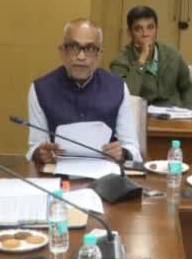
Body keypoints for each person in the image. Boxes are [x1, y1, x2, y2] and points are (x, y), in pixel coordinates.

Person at [26, 18, 143, 165]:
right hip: (58, 172)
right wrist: (40, 154)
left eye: (90, 49)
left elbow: (133, 148)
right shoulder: (41, 89)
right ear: (62, 51)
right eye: (74, 47)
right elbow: (34, 147)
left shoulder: (117, 87)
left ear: (99, 54)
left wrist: (123, 153)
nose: (81, 56)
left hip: (105, 173)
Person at [108, 5, 192, 108]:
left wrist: (189, 112)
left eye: (150, 28)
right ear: (130, 33)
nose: (145, 34)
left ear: (156, 30)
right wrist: (142, 60)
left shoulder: (172, 55)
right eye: (138, 29)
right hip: (141, 114)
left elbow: (186, 88)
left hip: (174, 113)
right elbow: (125, 96)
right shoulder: (119, 61)